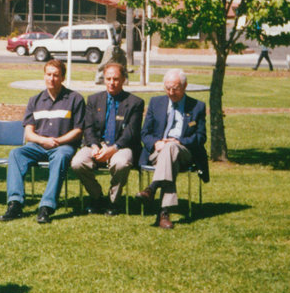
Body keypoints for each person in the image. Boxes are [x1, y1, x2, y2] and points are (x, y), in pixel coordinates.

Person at [0, 59, 85, 224]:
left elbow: (78, 130)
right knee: (16, 154)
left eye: (56, 75)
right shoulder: (35, 100)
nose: (51, 79)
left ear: (63, 77)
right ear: (44, 76)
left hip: (62, 146)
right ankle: (15, 204)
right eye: (48, 74)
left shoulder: (75, 99)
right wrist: (43, 141)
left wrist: (57, 141)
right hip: (37, 145)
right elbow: (28, 133)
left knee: (60, 157)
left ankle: (46, 207)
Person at [137, 68, 208, 230]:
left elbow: (201, 137)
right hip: (158, 151)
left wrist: (179, 141)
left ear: (185, 86)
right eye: (167, 88)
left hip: (185, 151)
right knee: (169, 155)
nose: (171, 92)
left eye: (175, 88)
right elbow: (145, 132)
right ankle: (163, 213)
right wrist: (156, 143)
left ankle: (152, 188)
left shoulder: (197, 107)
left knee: (172, 148)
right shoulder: (156, 103)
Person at [70, 61, 144, 215]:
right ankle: (97, 197)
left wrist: (113, 149)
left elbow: (131, 132)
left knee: (121, 163)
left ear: (124, 79)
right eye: (108, 78)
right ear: (104, 79)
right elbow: (88, 127)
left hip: (122, 146)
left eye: (116, 79)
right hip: (96, 145)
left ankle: (113, 201)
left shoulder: (135, 102)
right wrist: (94, 146)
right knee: (77, 162)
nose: (112, 83)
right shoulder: (93, 100)